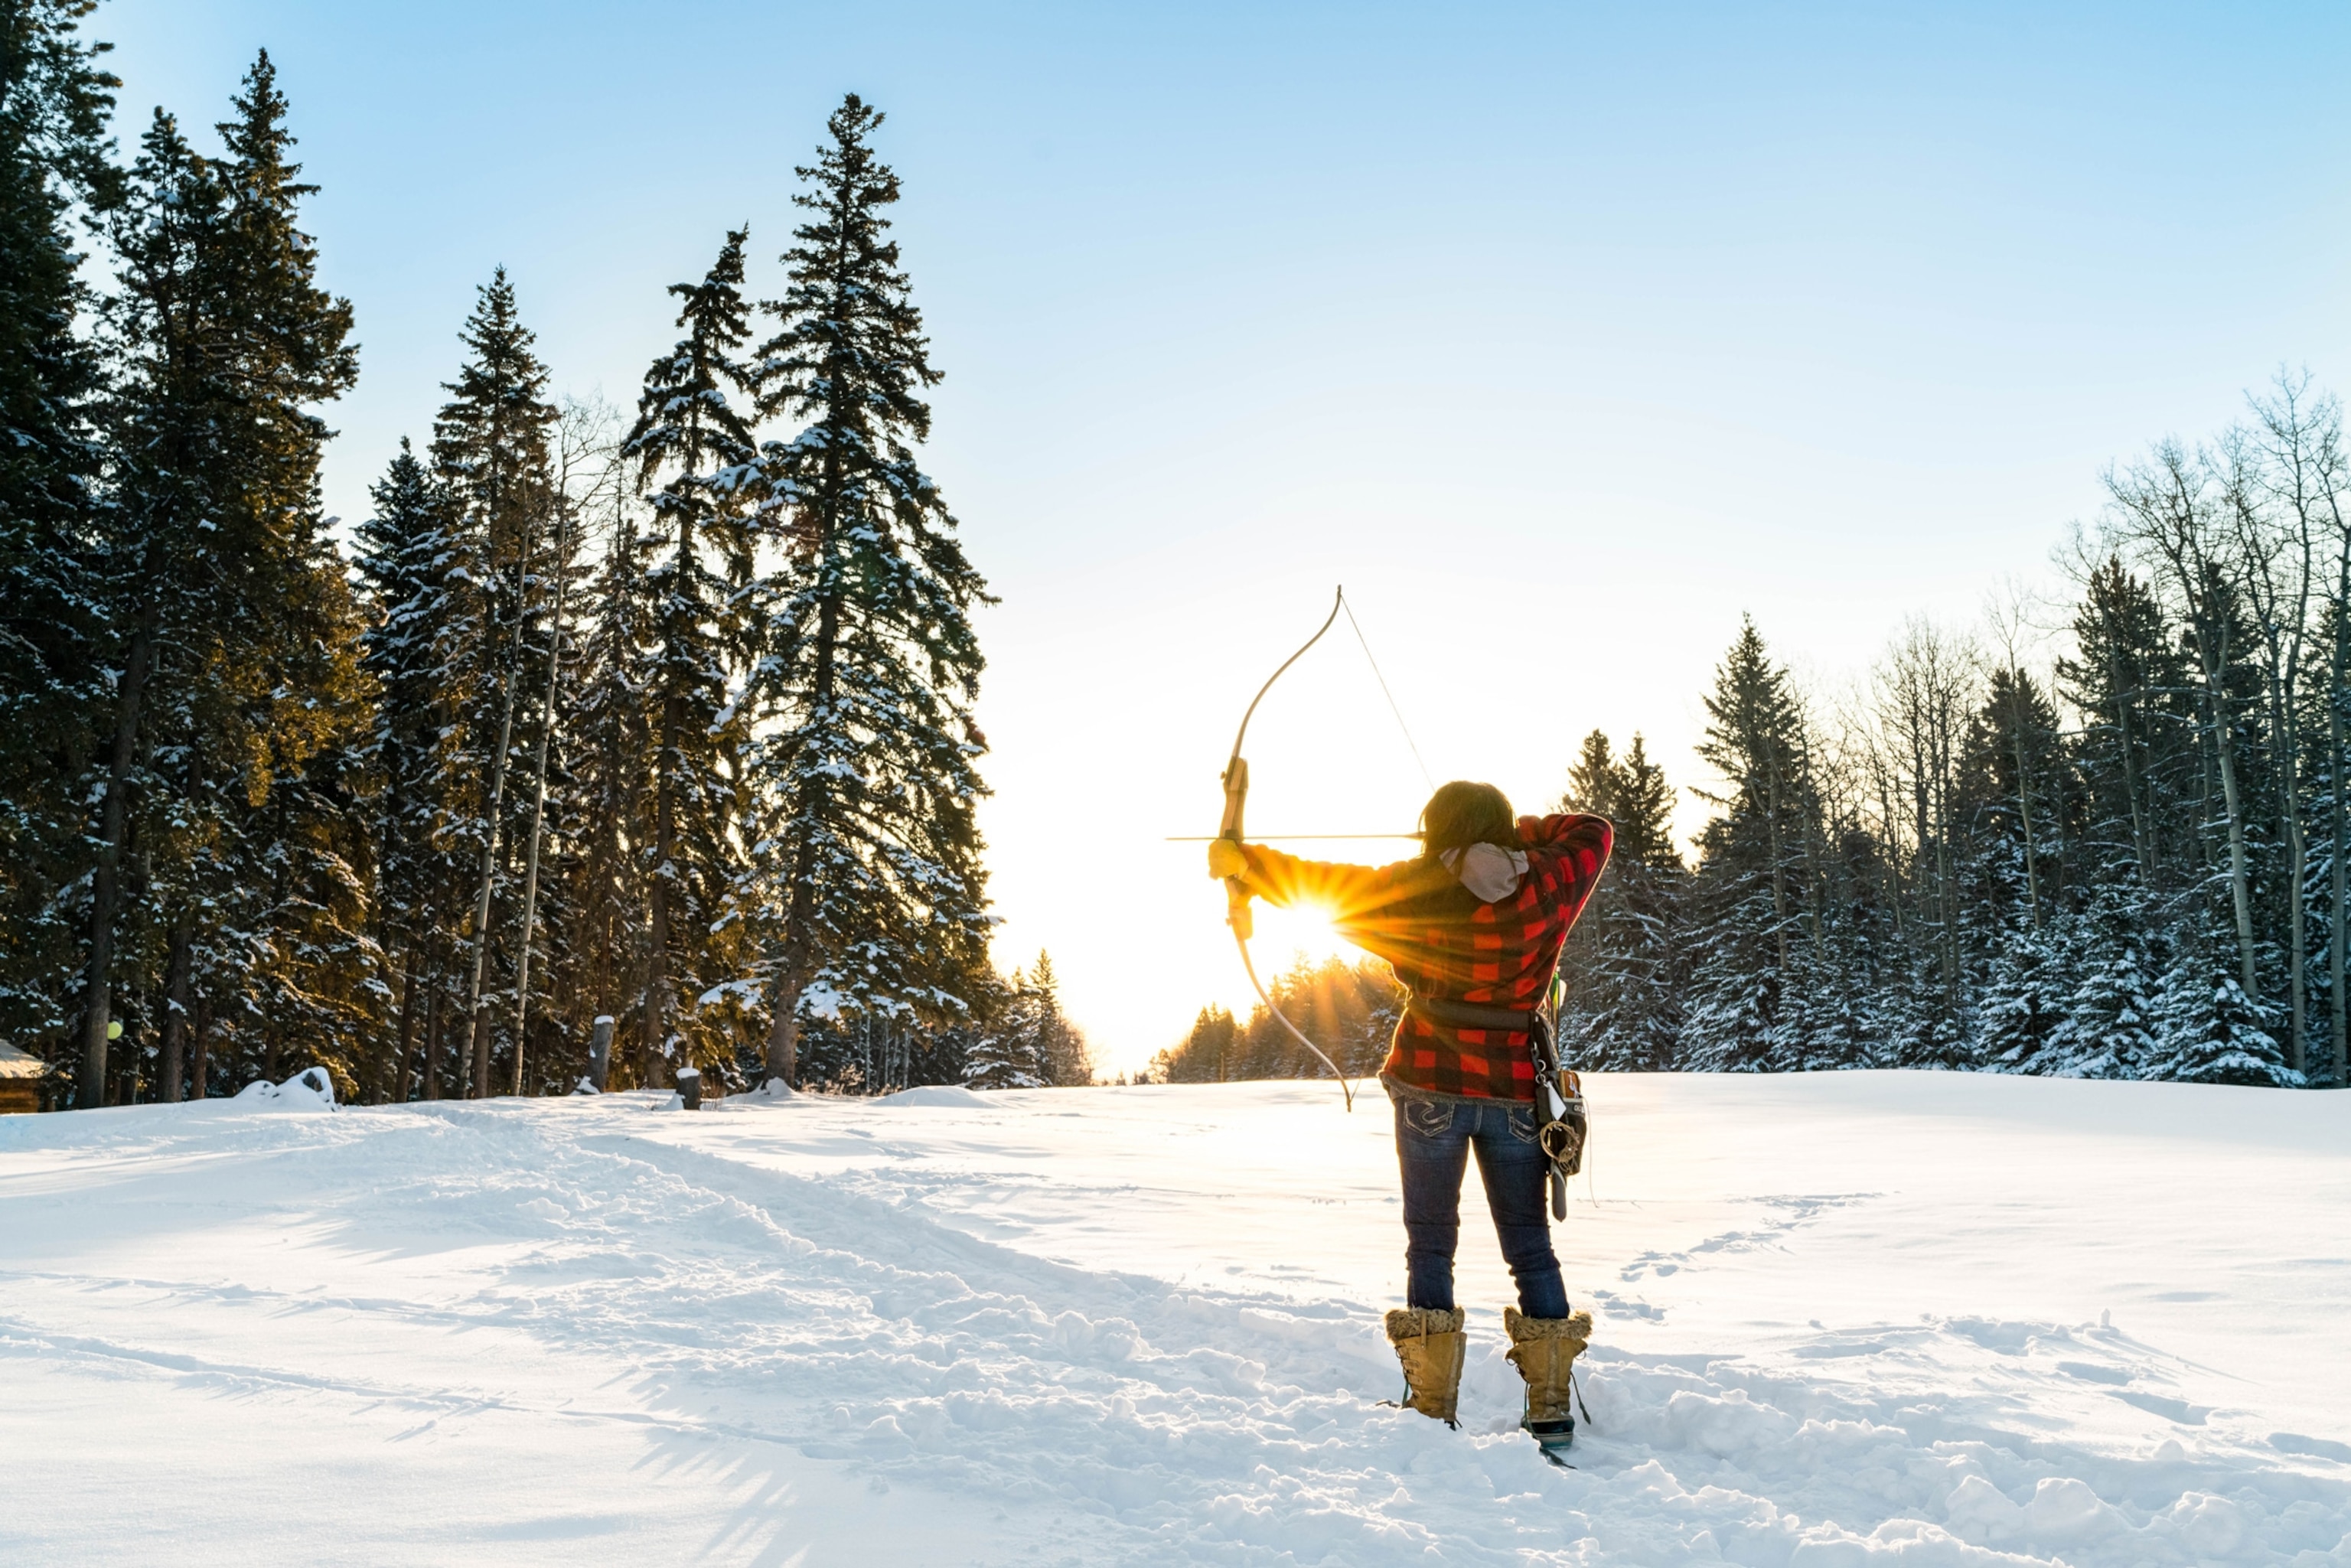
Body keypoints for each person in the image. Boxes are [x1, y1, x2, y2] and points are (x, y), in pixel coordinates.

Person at [1208, 780, 1612, 1449]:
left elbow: (1322, 885)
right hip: (1515, 1088)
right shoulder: (1547, 882)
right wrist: (1513, 842)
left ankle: (1431, 1405)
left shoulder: (1418, 886)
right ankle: (1549, 1407)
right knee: (1530, 1245)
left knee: (1431, 1241)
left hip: (1430, 1082)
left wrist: (1246, 865)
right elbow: (1594, 830)